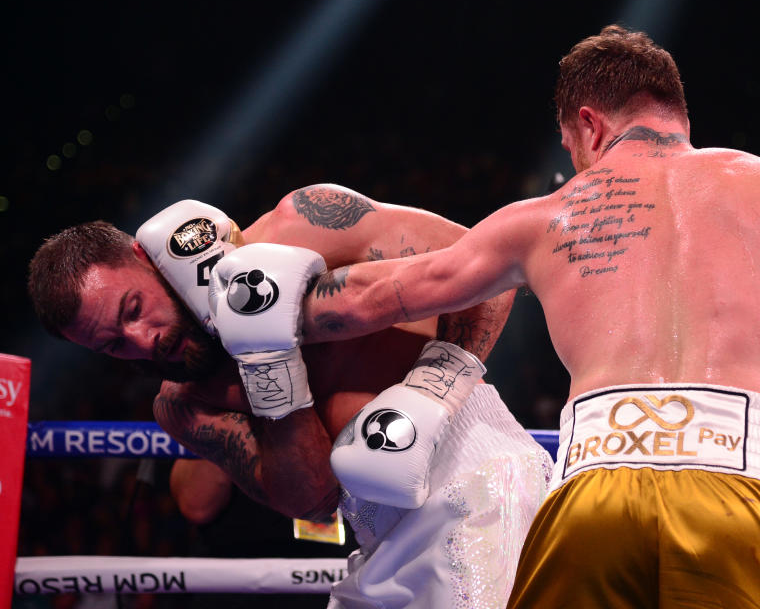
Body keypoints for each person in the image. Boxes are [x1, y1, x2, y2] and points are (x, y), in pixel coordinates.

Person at [278, 26, 760, 607]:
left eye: (570, 149)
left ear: (587, 124)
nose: (574, 165)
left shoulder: (544, 216)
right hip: (752, 490)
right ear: (675, 112)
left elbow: (375, 295)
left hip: (593, 500)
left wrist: (253, 290)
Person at [27, 185, 553, 609]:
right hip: (380, 546)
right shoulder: (185, 403)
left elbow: (493, 267)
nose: (143, 340)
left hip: (484, 486)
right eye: (113, 345)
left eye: (132, 309)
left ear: (145, 256)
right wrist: (268, 367)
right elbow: (312, 499)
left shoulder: (302, 225)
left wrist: (431, 390)